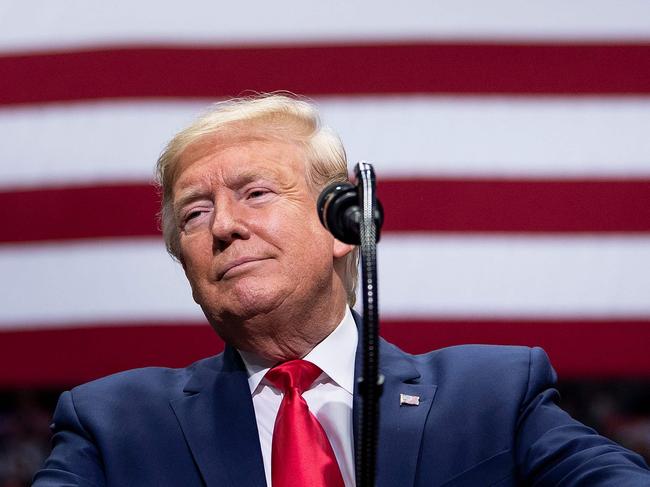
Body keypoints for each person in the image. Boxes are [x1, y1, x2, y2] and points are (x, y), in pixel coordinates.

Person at [33, 94, 650, 486]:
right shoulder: (114, 426)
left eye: (256, 193)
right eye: (194, 214)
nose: (223, 226)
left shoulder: (492, 396)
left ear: (344, 224)